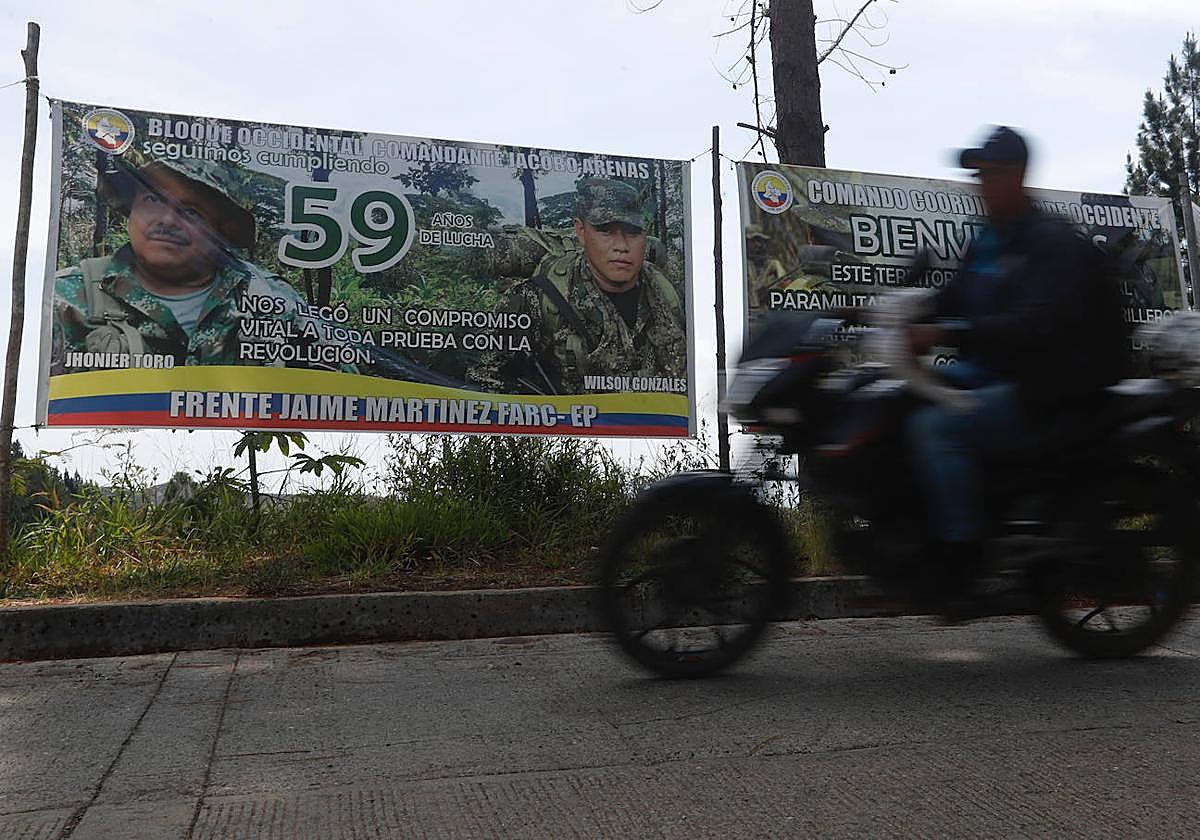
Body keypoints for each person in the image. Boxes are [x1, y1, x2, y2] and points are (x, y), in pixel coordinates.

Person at [905, 125, 1127, 615]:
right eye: (977, 176)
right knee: (895, 401)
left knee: (935, 427)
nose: (980, 185)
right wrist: (887, 313)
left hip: (1041, 389)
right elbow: (952, 296)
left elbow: (1031, 326)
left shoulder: (1049, 244)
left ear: (1018, 175)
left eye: (989, 174)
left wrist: (947, 335)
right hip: (989, 375)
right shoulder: (990, 240)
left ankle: (961, 564)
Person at [51, 156, 330, 373]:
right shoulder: (69, 297)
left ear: (221, 230)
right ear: (131, 207)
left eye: (191, 212)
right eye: (153, 199)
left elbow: (355, 372)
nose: (167, 220)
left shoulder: (268, 298)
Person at [468, 177, 687, 394]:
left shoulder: (669, 295)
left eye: (633, 232)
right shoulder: (537, 298)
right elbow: (484, 383)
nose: (621, 246)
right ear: (581, 232)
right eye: (606, 230)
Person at [745, 224, 787, 309]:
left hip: (767, 312)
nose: (758, 245)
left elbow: (785, 286)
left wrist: (770, 291)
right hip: (747, 314)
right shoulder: (741, 265)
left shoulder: (773, 264)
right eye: (754, 241)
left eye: (760, 241)